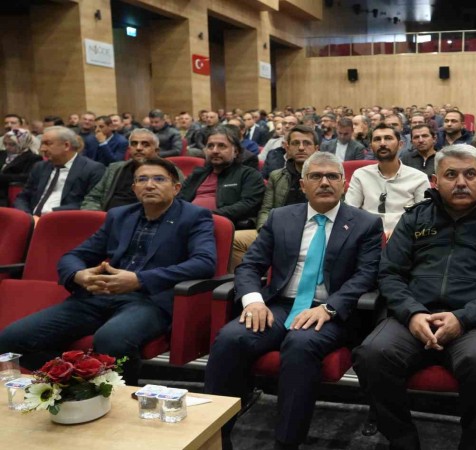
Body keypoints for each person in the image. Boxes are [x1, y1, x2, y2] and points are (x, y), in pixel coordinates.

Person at [352, 144, 476, 450]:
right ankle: (402, 440)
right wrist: (412, 313)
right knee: (371, 354)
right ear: (435, 181)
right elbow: (390, 273)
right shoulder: (415, 218)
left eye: (470, 174)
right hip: (413, 317)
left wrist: (463, 318)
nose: (461, 182)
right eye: (451, 175)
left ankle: (474, 443)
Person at [205, 151, 383, 450]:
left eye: (332, 176)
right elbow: (250, 266)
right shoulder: (281, 217)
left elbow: (365, 277)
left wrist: (329, 308)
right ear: (303, 185)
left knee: (300, 344)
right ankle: (215, 437)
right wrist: (253, 301)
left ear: (344, 184)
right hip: (279, 305)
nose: (324, 182)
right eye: (316, 176)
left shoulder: (366, 224)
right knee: (230, 338)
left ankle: (287, 443)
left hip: (329, 311)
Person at [0, 158, 217, 384]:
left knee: (111, 340)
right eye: (142, 179)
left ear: (176, 187)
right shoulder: (120, 216)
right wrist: (80, 275)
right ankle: (75, 381)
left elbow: (204, 262)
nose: (150, 185)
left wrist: (139, 280)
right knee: (9, 340)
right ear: (134, 188)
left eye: (159, 179)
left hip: (149, 300)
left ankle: (118, 397)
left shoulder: (194, 216)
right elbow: (73, 256)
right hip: (98, 295)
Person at [180, 126, 265, 268]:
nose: (215, 150)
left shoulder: (248, 174)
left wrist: (208, 215)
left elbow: (249, 204)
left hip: (221, 226)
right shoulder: (197, 174)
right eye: (210, 146)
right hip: (188, 224)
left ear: (235, 151)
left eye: (222, 146)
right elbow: (180, 200)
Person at [345, 123, 428, 235]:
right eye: (377, 139)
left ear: (400, 145)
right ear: (371, 147)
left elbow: (424, 218)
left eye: (388, 138)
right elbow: (349, 212)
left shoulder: (418, 178)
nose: (382, 143)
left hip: (405, 235)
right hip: (368, 235)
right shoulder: (360, 175)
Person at [81, 129, 185, 211]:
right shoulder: (114, 168)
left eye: (145, 144)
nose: (138, 148)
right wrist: (97, 217)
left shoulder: (170, 171)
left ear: (157, 151)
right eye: (134, 144)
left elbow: (179, 203)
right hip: (110, 220)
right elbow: (93, 198)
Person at [15, 126, 105, 216]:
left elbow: (90, 203)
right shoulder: (40, 167)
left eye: (47, 143)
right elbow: (23, 197)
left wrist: (50, 215)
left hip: (63, 219)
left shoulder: (92, 169)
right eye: (42, 144)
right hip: (32, 218)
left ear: (66, 146)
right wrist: (27, 216)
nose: (42, 149)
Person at [0, 129, 42, 206]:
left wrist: (3, 177)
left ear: (23, 143)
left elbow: (27, 177)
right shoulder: (2, 154)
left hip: (9, 191)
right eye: (5, 144)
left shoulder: (32, 158)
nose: (7, 147)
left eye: (12, 144)